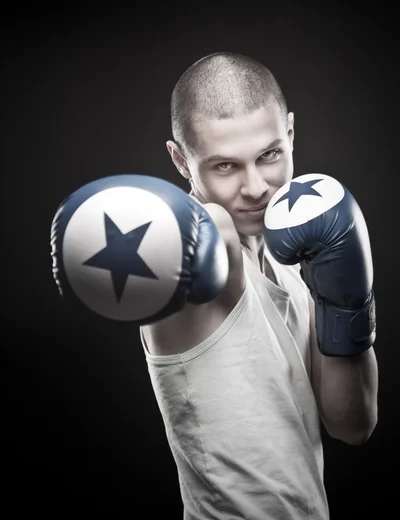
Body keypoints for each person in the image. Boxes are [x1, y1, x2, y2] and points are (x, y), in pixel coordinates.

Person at [50, 52, 378, 519]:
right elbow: (208, 229)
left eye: (269, 155)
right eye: (224, 166)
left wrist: (348, 296)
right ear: (181, 161)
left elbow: (352, 425)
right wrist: (129, 229)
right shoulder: (200, 246)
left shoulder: (293, 260)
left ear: (289, 133)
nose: (255, 188)